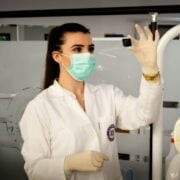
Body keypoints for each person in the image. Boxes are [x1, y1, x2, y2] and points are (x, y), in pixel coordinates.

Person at [19, 22, 162, 180]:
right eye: (77, 49)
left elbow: (145, 114)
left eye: (90, 49)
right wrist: (67, 163)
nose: (87, 55)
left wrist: (150, 70)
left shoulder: (107, 94)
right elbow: (34, 170)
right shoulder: (39, 108)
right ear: (57, 56)